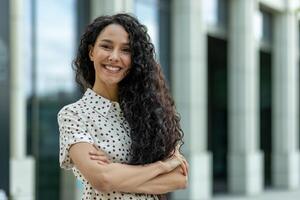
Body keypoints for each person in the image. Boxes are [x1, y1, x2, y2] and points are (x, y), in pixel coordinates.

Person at [58, 13, 188, 200]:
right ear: (91, 52)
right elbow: (102, 179)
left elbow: (178, 178)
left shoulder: (150, 112)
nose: (114, 57)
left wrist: (116, 174)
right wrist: (162, 167)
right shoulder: (74, 115)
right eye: (106, 46)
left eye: (126, 50)